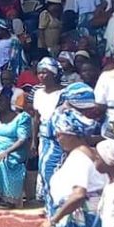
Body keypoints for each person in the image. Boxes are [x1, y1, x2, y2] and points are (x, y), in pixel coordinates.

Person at [31, 58, 65, 203]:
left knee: (59, 168)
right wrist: (34, 140)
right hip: (44, 138)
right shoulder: (38, 93)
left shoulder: (64, 93)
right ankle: (47, 200)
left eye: (45, 72)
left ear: (54, 74)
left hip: (61, 137)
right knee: (44, 167)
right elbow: (36, 118)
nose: (42, 76)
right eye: (39, 73)